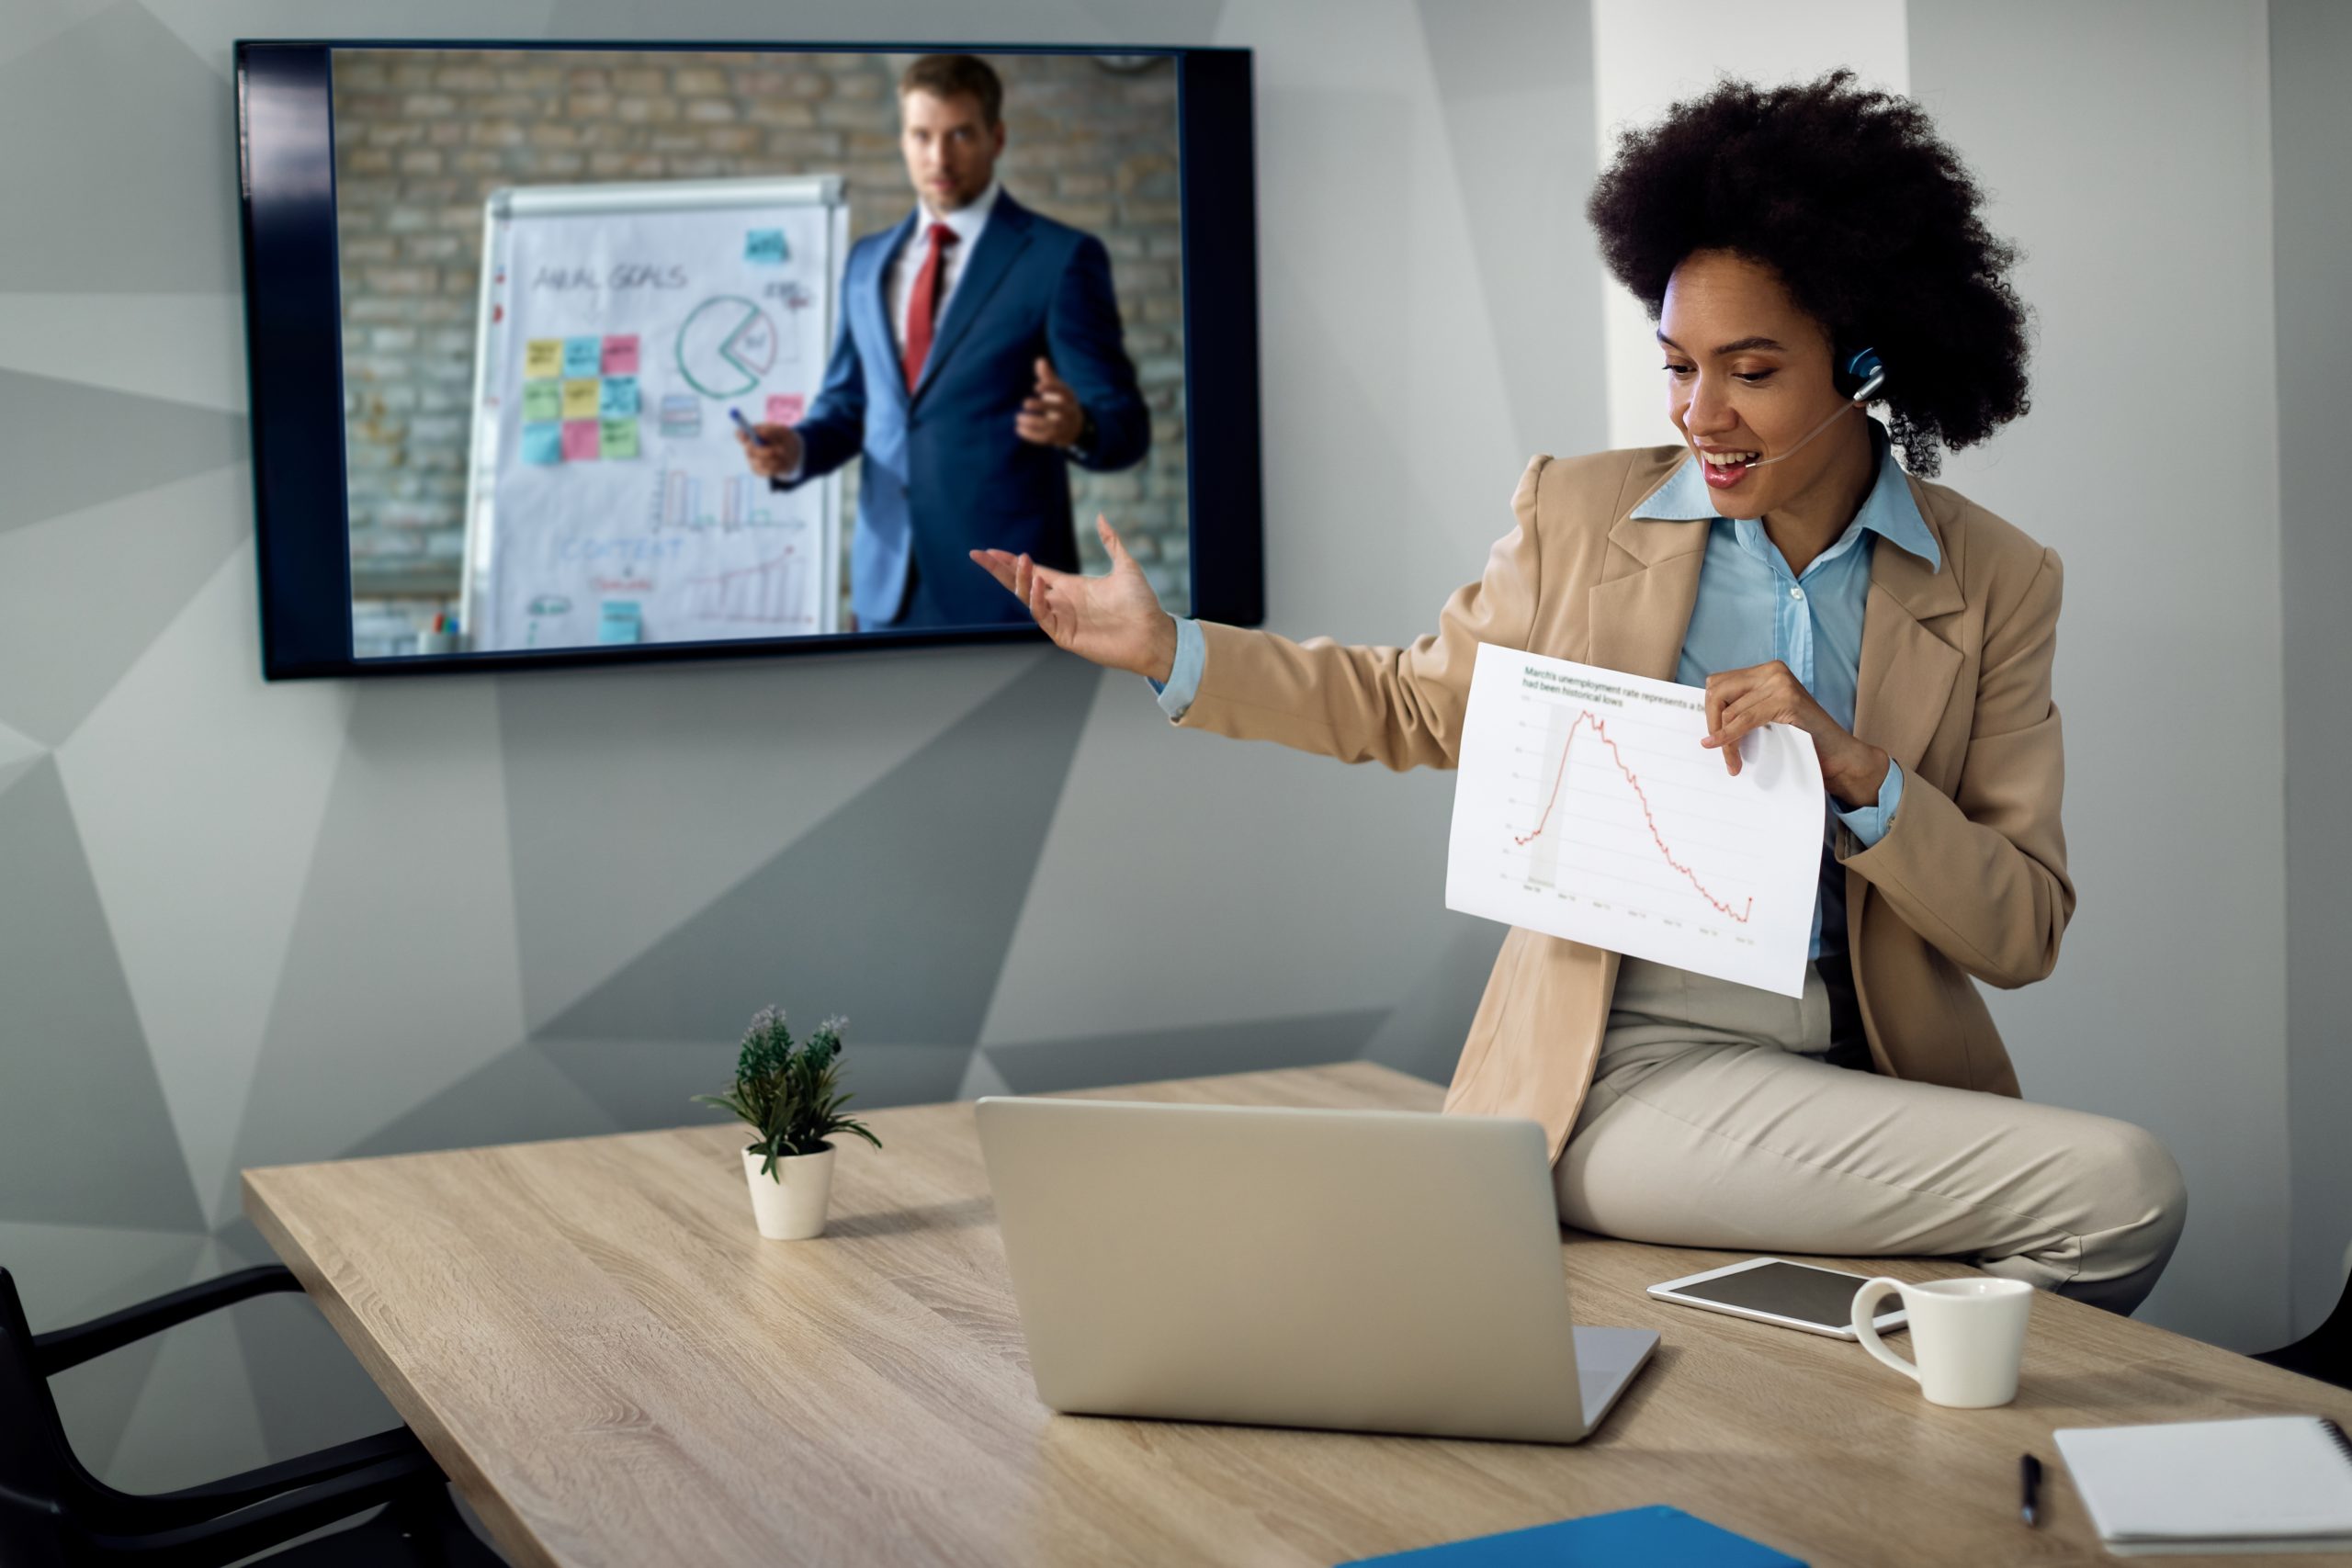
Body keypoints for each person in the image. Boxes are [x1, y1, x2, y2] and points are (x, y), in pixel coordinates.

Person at [970, 69, 2190, 1316]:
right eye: (1678, 366)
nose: (1701, 413)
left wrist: (1863, 774)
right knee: (2122, 1184)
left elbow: (2021, 928)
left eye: (1751, 372)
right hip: (1627, 1059)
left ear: (1865, 361)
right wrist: (1173, 649)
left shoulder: (1995, 578)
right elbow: (1414, 704)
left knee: (2114, 1201)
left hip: (1865, 1062)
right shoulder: (1580, 513)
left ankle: (1865, 1379)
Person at [738, 53, 1149, 632]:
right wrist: (796, 449)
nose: (939, 156)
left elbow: (1127, 426)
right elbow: (850, 406)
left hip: (1010, 594)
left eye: (960, 134)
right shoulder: (867, 262)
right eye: (922, 135)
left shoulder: (1060, 259)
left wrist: (1078, 425)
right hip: (884, 594)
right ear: (903, 140)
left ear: (996, 137)